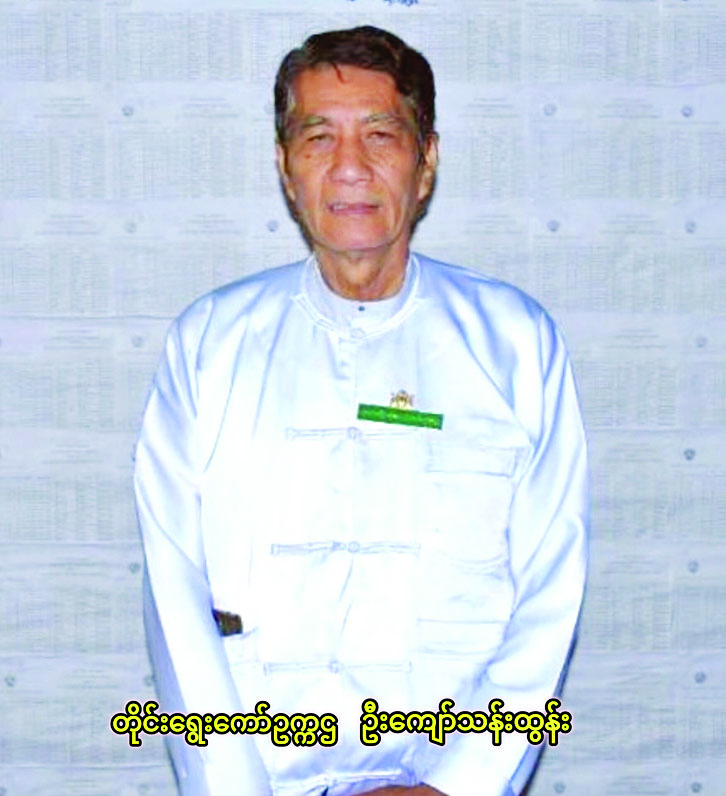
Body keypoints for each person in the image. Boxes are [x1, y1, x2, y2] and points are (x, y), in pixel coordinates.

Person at [134, 25, 588, 796]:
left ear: (426, 161)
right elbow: (175, 600)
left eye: (381, 135)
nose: (350, 166)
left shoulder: (515, 343)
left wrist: (460, 784)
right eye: (318, 137)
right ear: (285, 167)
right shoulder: (210, 345)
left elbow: (552, 588)